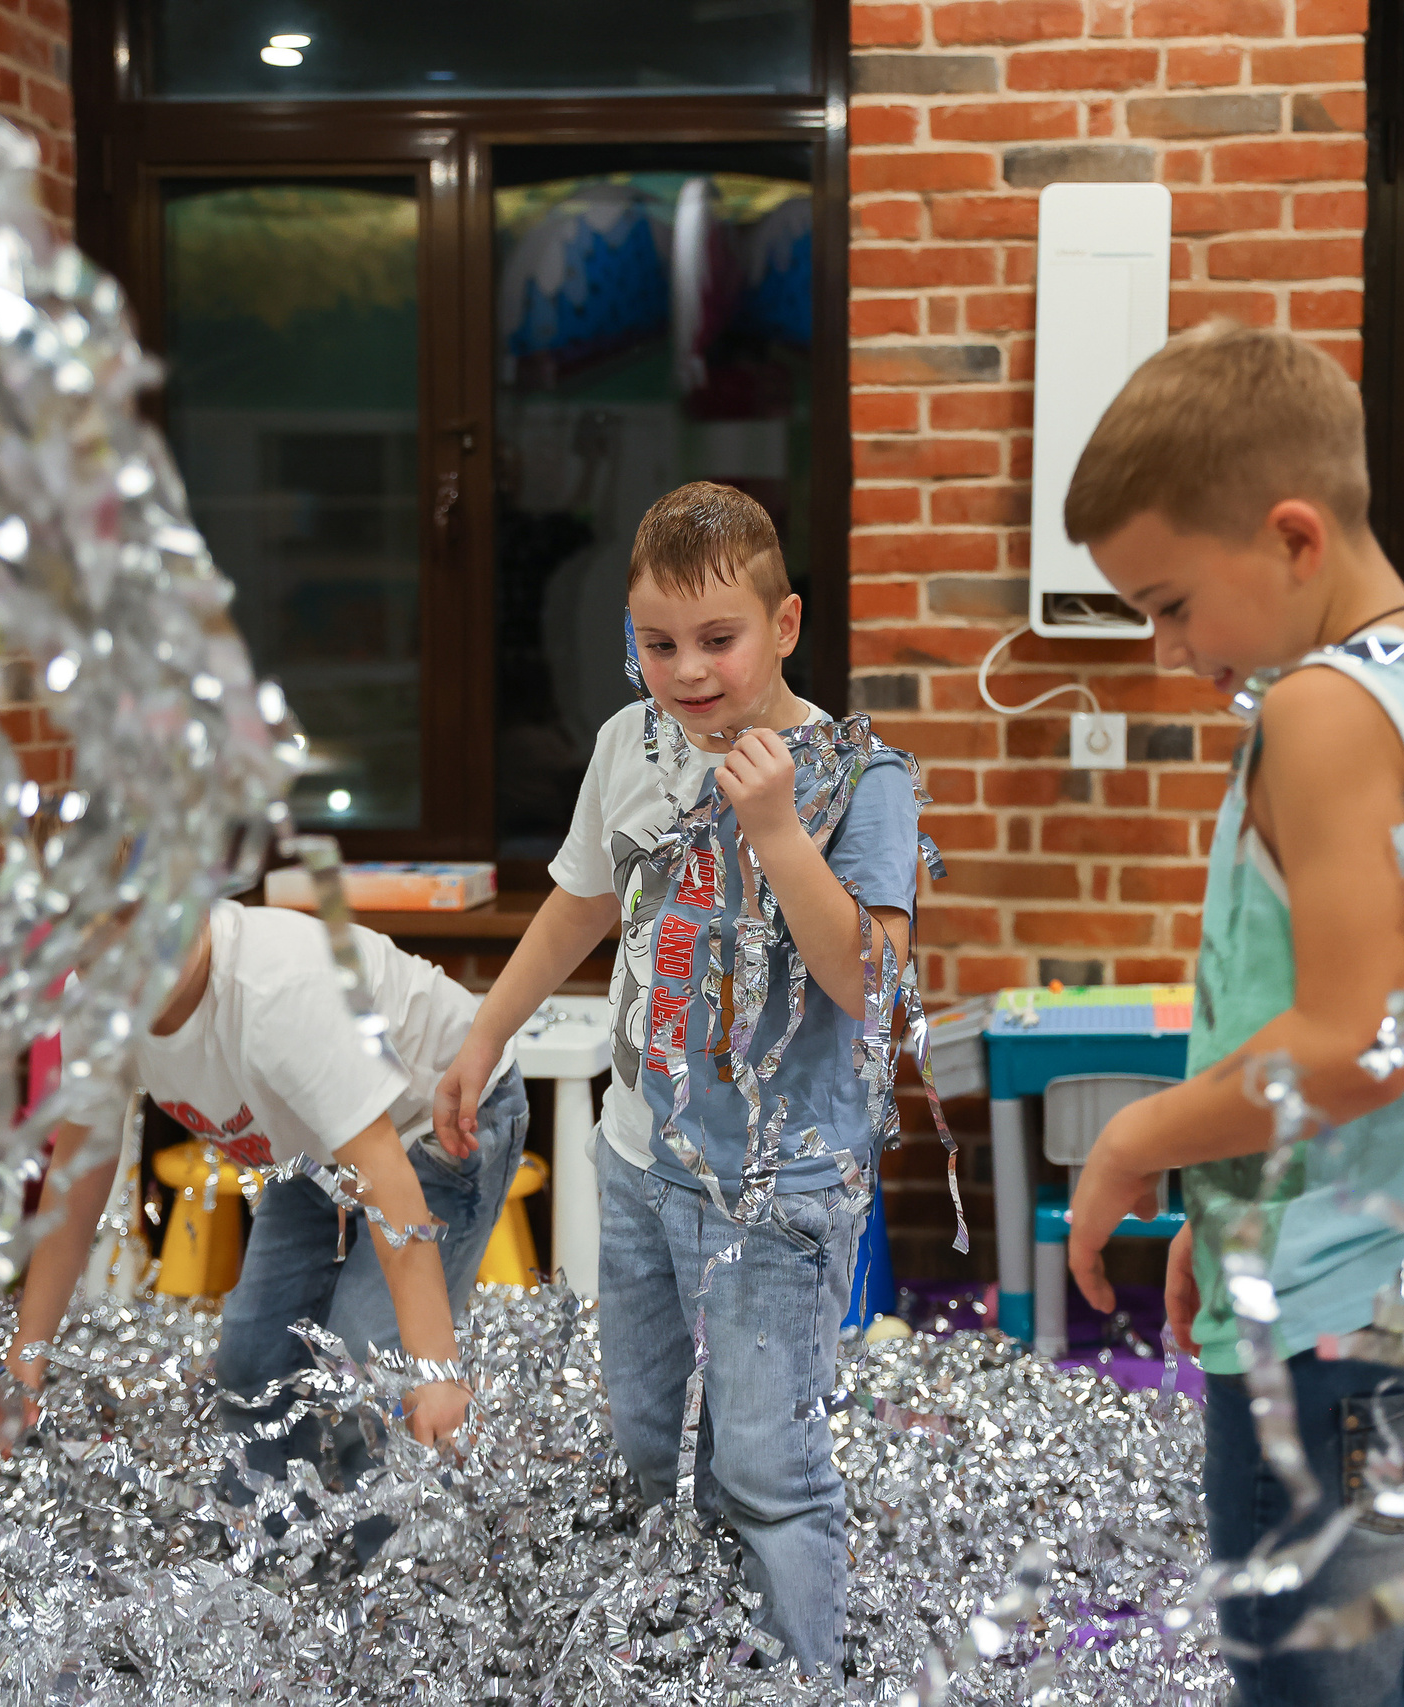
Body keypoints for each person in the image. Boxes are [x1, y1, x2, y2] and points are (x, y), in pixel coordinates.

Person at [1056, 323, 1404, 1707]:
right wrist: (1231, 1215)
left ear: (1292, 538)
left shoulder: (1323, 712)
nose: (1168, 653)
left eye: (1169, 603)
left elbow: (1356, 1040)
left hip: (1353, 1325)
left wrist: (1137, 1138)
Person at [432, 481, 922, 1679]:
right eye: (659, 643)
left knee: (766, 1461)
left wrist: (776, 834)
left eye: (719, 639)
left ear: (786, 626)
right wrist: (484, 1035)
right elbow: (580, 904)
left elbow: (871, 987)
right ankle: (696, 1659)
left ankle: (798, 1676)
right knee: (650, 1443)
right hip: (639, 1155)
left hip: (778, 1182)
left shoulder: (863, 779)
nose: (689, 670)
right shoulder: (627, 746)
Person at [0, 900, 526, 1534]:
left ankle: (399, 1589)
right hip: (314, 1146)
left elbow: (386, 1176)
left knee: (370, 1370)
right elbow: (76, 1185)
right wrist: (27, 1358)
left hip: (436, 1120)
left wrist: (435, 1371)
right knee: (249, 1361)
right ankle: (273, 1560)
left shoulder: (273, 991)